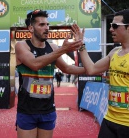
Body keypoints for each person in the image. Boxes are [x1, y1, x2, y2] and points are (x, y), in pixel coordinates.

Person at [15, 9, 85, 138]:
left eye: (47, 25)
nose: (46, 28)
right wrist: (62, 50)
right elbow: (34, 64)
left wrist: (92, 69)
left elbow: (67, 68)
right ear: (31, 28)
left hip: (48, 109)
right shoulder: (22, 46)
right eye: (41, 25)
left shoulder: (52, 47)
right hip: (27, 110)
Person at [72, 9, 129, 138]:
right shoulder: (114, 52)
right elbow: (91, 69)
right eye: (110, 26)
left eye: (115, 26)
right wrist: (81, 45)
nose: (111, 29)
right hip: (110, 120)